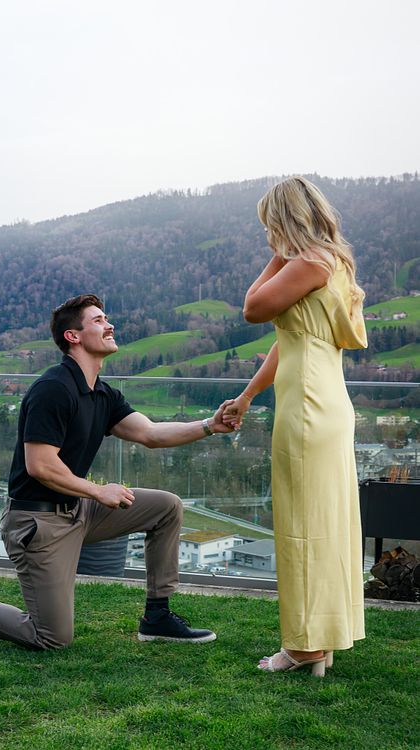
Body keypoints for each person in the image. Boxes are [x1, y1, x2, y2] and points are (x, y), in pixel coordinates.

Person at [0, 294, 234, 649]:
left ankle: (157, 617)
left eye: (106, 319)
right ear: (73, 336)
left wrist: (209, 425)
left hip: (79, 510)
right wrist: (98, 491)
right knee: (51, 636)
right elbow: (40, 465)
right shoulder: (53, 389)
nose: (110, 325)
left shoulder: (102, 394)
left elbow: (151, 434)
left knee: (166, 507)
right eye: (99, 320)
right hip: (39, 522)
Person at [223, 177, 367, 676]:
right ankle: (322, 639)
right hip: (326, 402)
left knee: (302, 525)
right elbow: (289, 339)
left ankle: (305, 647)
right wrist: (247, 395)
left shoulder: (307, 263)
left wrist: (278, 255)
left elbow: (253, 308)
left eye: (270, 224)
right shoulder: (335, 264)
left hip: (306, 407)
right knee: (324, 523)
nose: (267, 234)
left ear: (284, 221)